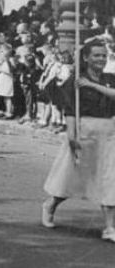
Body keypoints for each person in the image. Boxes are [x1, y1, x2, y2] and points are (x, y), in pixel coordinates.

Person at [41, 38, 115, 242]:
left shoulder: (110, 79)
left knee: (110, 178)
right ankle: (50, 205)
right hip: (85, 131)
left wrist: (92, 85)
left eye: (103, 55)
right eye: (96, 55)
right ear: (86, 57)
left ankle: (109, 227)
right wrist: (72, 136)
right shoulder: (74, 81)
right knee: (73, 175)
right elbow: (70, 111)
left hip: (109, 132)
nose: (101, 59)